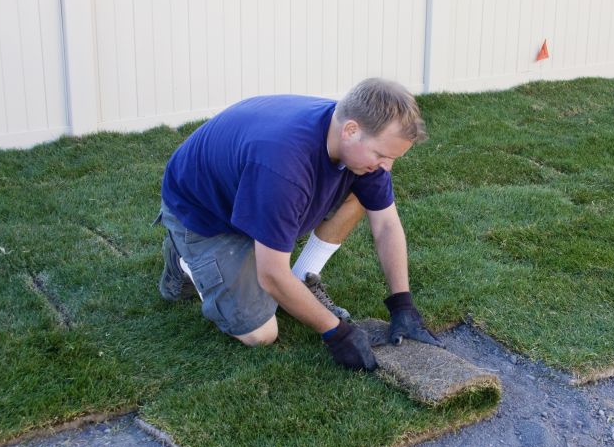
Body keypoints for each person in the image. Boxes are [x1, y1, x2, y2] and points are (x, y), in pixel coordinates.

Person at [156, 78, 442, 372]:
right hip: (205, 216)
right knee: (261, 334)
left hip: (257, 193)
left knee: (363, 195)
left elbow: (385, 224)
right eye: (382, 155)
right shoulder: (284, 167)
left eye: (392, 158)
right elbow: (271, 275)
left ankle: (303, 277)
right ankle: (184, 262)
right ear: (351, 130)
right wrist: (336, 332)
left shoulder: (356, 143)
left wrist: (402, 303)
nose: (386, 167)